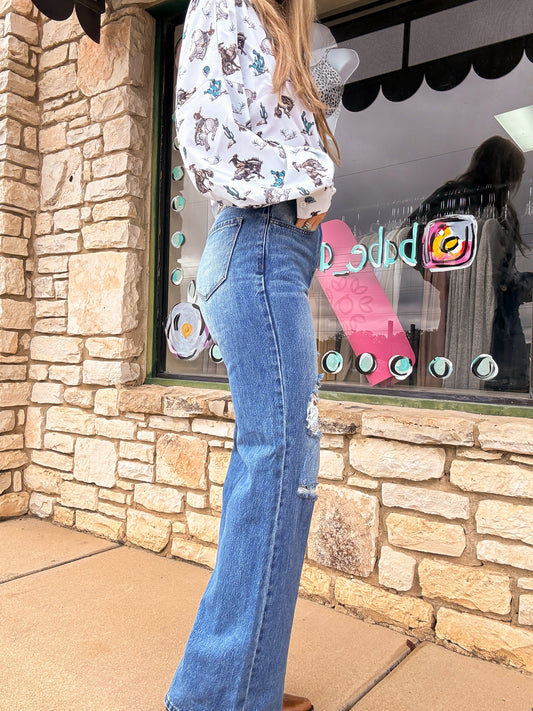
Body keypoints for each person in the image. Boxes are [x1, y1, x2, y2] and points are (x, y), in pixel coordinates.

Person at [165, 1, 339, 710]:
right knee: (277, 466)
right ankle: (221, 698)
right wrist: (309, 172)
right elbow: (205, 141)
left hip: (273, 254)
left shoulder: (273, 22)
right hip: (258, 246)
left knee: (279, 468)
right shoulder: (227, 3)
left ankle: (241, 687)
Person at [407, 135, 532, 391]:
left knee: (505, 385)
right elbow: (409, 240)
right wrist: (444, 279)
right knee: (497, 383)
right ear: (502, 169)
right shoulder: (455, 198)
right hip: (466, 311)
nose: (517, 180)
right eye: (515, 172)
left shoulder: (502, 211)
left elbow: (503, 277)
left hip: (501, 316)